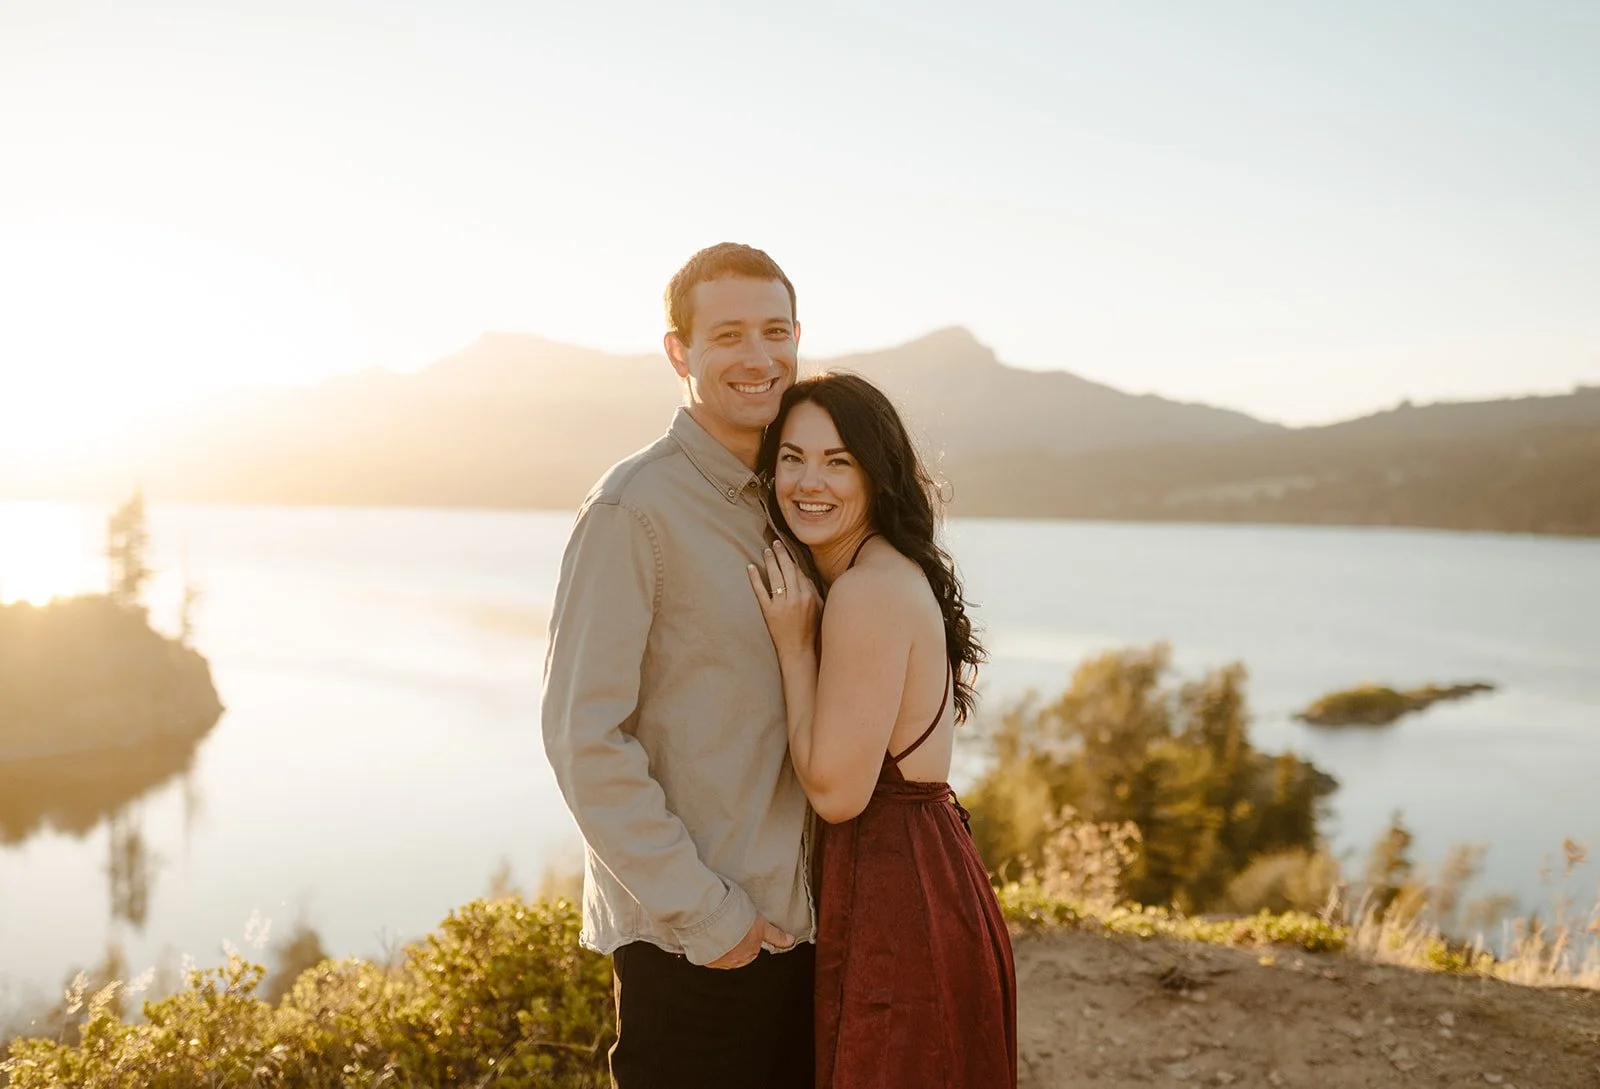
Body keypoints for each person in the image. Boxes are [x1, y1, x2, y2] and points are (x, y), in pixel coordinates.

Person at [541, 243, 816, 1089]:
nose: (758, 357)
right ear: (679, 352)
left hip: (803, 934)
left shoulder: (799, 493)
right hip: (696, 946)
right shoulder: (634, 510)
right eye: (728, 334)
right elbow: (583, 736)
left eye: (775, 331)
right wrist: (713, 917)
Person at [747, 372, 1018, 1089]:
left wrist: (795, 644)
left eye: (838, 461)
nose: (810, 481)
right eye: (793, 458)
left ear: (877, 473)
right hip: (924, 877)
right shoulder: (878, 572)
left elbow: (837, 793)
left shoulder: (865, 591)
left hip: (896, 893)